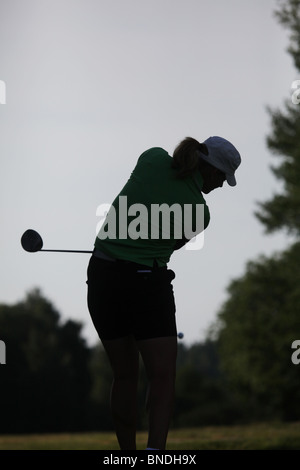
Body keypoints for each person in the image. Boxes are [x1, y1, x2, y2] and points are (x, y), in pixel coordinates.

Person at [86, 136, 241, 450]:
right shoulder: (200, 213)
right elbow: (171, 245)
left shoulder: (152, 157)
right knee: (162, 376)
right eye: (223, 178)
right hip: (146, 284)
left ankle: (127, 455)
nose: (222, 185)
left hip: (103, 277)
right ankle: (154, 454)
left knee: (125, 375)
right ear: (211, 171)